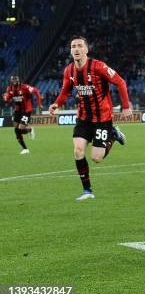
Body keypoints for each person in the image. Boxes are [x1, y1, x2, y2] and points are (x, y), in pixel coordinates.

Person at [49, 36, 132, 201]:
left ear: (86, 49)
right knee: (78, 150)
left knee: (96, 158)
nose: (76, 49)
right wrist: (56, 104)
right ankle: (87, 191)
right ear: (70, 51)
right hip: (83, 118)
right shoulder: (69, 70)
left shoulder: (98, 66)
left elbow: (120, 82)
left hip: (102, 118)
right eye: (73, 46)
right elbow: (66, 90)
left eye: (80, 46)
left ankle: (113, 135)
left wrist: (126, 106)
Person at [3, 75, 41, 154]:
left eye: (15, 79)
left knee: (21, 128)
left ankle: (30, 129)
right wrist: (6, 98)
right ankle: (25, 149)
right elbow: (8, 99)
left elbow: (36, 91)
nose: (14, 80)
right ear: (11, 80)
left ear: (18, 79)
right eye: (12, 79)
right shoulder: (9, 89)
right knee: (16, 131)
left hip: (26, 110)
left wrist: (39, 104)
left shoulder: (24, 87)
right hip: (17, 111)